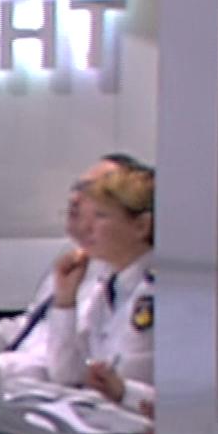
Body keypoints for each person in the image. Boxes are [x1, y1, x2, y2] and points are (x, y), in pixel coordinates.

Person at [0, 154, 135, 378]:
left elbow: (60, 365)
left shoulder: (112, 277)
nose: (76, 198)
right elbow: (31, 325)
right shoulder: (72, 256)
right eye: (77, 187)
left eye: (92, 191)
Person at [45, 164, 156, 414]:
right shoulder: (105, 285)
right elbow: (65, 374)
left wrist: (123, 392)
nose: (85, 228)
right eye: (86, 216)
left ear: (141, 226)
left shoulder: (158, 292)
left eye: (101, 216)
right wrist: (65, 301)